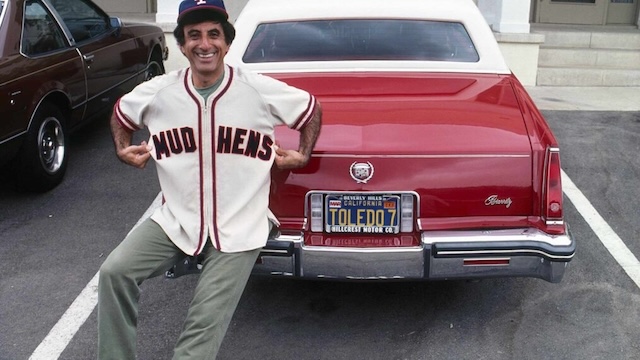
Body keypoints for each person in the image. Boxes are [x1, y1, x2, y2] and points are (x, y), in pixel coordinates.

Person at [97, 0, 322, 358]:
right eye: (194, 35)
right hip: (177, 221)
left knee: (198, 337)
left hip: (240, 226)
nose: (205, 44)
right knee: (114, 273)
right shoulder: (160, 91)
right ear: (183, 45)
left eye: (214, 34)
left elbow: (310, 109)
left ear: (227, 43)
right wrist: (122, 148)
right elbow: (121, 113)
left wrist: (303, 153)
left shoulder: (256, 89)